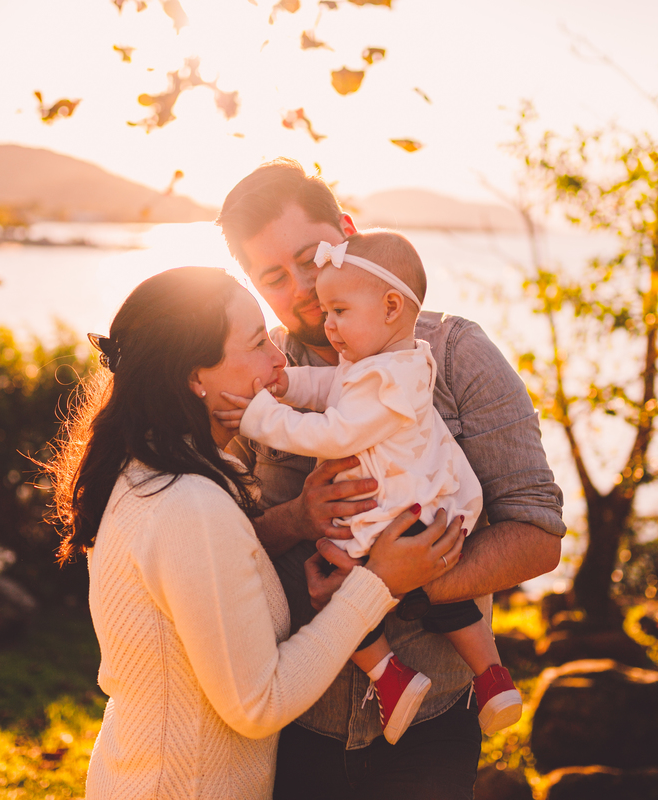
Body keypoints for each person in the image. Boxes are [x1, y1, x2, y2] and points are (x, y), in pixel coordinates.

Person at [217, 159, 566, 800]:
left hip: (433, 733)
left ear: (348, 231)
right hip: (292, 721)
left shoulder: (455, 355)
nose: (300, 289)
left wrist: (407, 580)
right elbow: (212, 545)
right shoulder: (254, 373)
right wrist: (294, 519)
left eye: (309, 257)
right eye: (273, 276)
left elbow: (540, 534)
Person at [47, 266, 465, 800]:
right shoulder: (187, 504)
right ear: (193, 378)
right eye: (255, 343)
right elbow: (258, 703)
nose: (279, 357)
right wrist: (377, 583)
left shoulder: (151, 474)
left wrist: (297, 522)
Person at [219, 230, 523, 746]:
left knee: (337, 589)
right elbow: (331, 388)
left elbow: (332, 431)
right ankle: (490, 675)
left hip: (394, 512)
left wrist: (259, 415)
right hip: (408, 504)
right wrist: (289, 384)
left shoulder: (394, 380)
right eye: (327, 312)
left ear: (389, 307)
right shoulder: (382, 362)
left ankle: (391, 676)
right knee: (443, 607)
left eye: (338, 311)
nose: (327, 323)